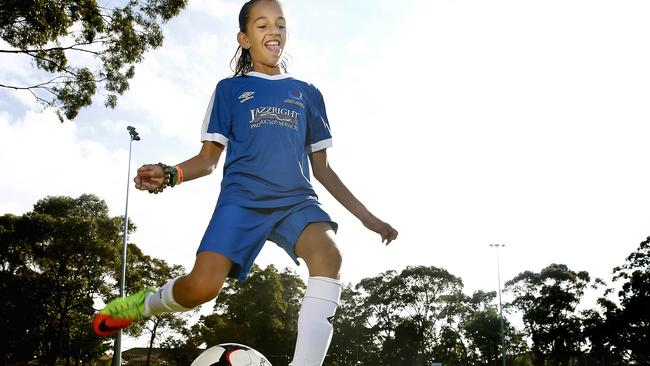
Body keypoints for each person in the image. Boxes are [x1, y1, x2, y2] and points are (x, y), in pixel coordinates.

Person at [93, 0, 398, 364]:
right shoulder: (229, 91)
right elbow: (208, 161)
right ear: (244, 38)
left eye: (281, 25)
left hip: (296, 201)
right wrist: (170, 173)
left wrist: (367, 218)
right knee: (201, 288)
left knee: (329, 254)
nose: (274, 31)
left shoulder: (308, 93)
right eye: (263, 25)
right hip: (242, 200)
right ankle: (140, 305)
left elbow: (323, 169)